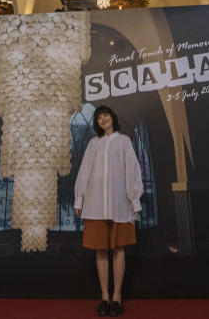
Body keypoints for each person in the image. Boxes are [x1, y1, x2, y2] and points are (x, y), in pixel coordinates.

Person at [74, 106, 143, 317]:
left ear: (112, 117)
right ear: (97, 123)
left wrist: (135, 201)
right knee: (100, 250)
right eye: (99, 117)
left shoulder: (124, 142)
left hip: (119, 204)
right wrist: (79, 199)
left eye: (105, 114)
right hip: (95, 206)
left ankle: (117, 297)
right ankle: (104, 296)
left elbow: (132, 171)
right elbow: (85, 171)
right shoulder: (93, 144)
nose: (102, 118)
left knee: (119, 249)